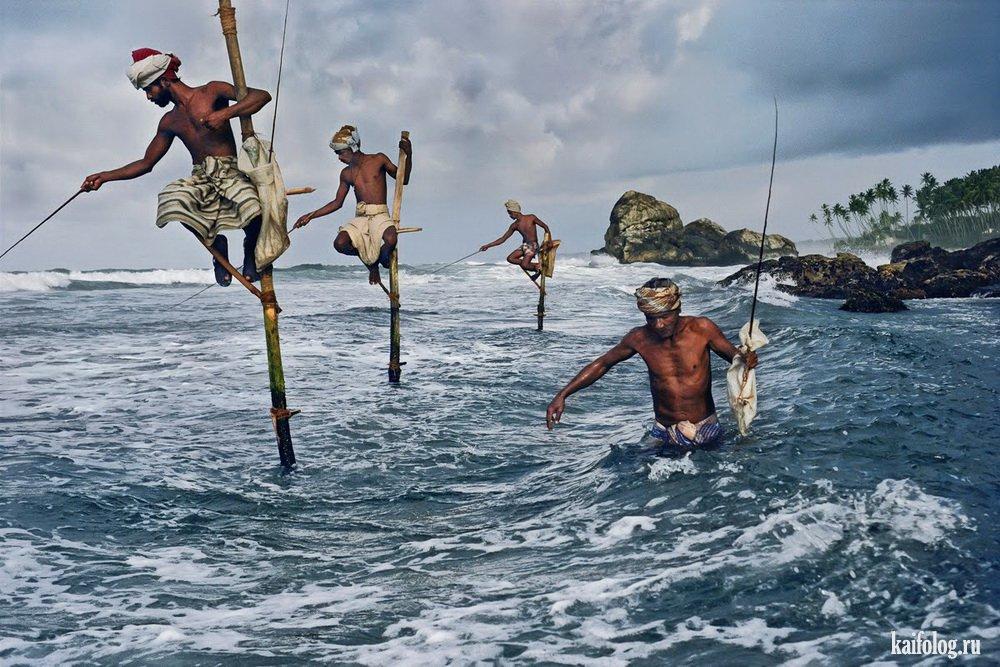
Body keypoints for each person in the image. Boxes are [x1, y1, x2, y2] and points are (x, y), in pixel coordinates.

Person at [81, 49, 272, 286]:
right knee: (172, 200)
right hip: (201, 177)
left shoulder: (212, 91)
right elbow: (146, 163)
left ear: (163, 80)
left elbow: (261, 96)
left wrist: (225, 114)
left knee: (253, 208)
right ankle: (216, 246)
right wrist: (104, 176)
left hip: (230, 171)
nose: (149, 97)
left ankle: (249, 250)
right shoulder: (169, 122)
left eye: (149, 89)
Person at [545, 278, 759, 448]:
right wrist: (562, 395)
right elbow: (603, 364)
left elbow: (735, 357)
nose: (658, 324)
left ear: (677, 310)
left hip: (705, 426)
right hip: (663, 430)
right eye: (650, 318)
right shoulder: (638, 338)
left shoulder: (702, 329)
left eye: (664, 316)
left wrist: (747, 358)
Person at [293, 125, 413, 285]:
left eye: (340, 152)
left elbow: (403, 180)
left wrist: (408, 154)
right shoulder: (346, 173)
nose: (339, 158)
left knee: (391, 239)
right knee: (340, 244)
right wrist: (310, 216)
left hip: (380, 214)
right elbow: (337, 203)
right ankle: (372, 264)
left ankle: (380, 260)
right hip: (361, 217)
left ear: (353, 147)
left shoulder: (378, 159)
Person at [479, 200, 552, 281]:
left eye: (509, 213)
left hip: (533, 246)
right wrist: (487, 246)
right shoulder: (515, 225)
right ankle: (537, 266)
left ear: (515, 211)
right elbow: (503, 239)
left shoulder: (531, 217)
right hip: (525, 246)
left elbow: (545, 227)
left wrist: (549, 240)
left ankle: (537, 268)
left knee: (524, 265)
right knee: (510, 258)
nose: (509, 215)